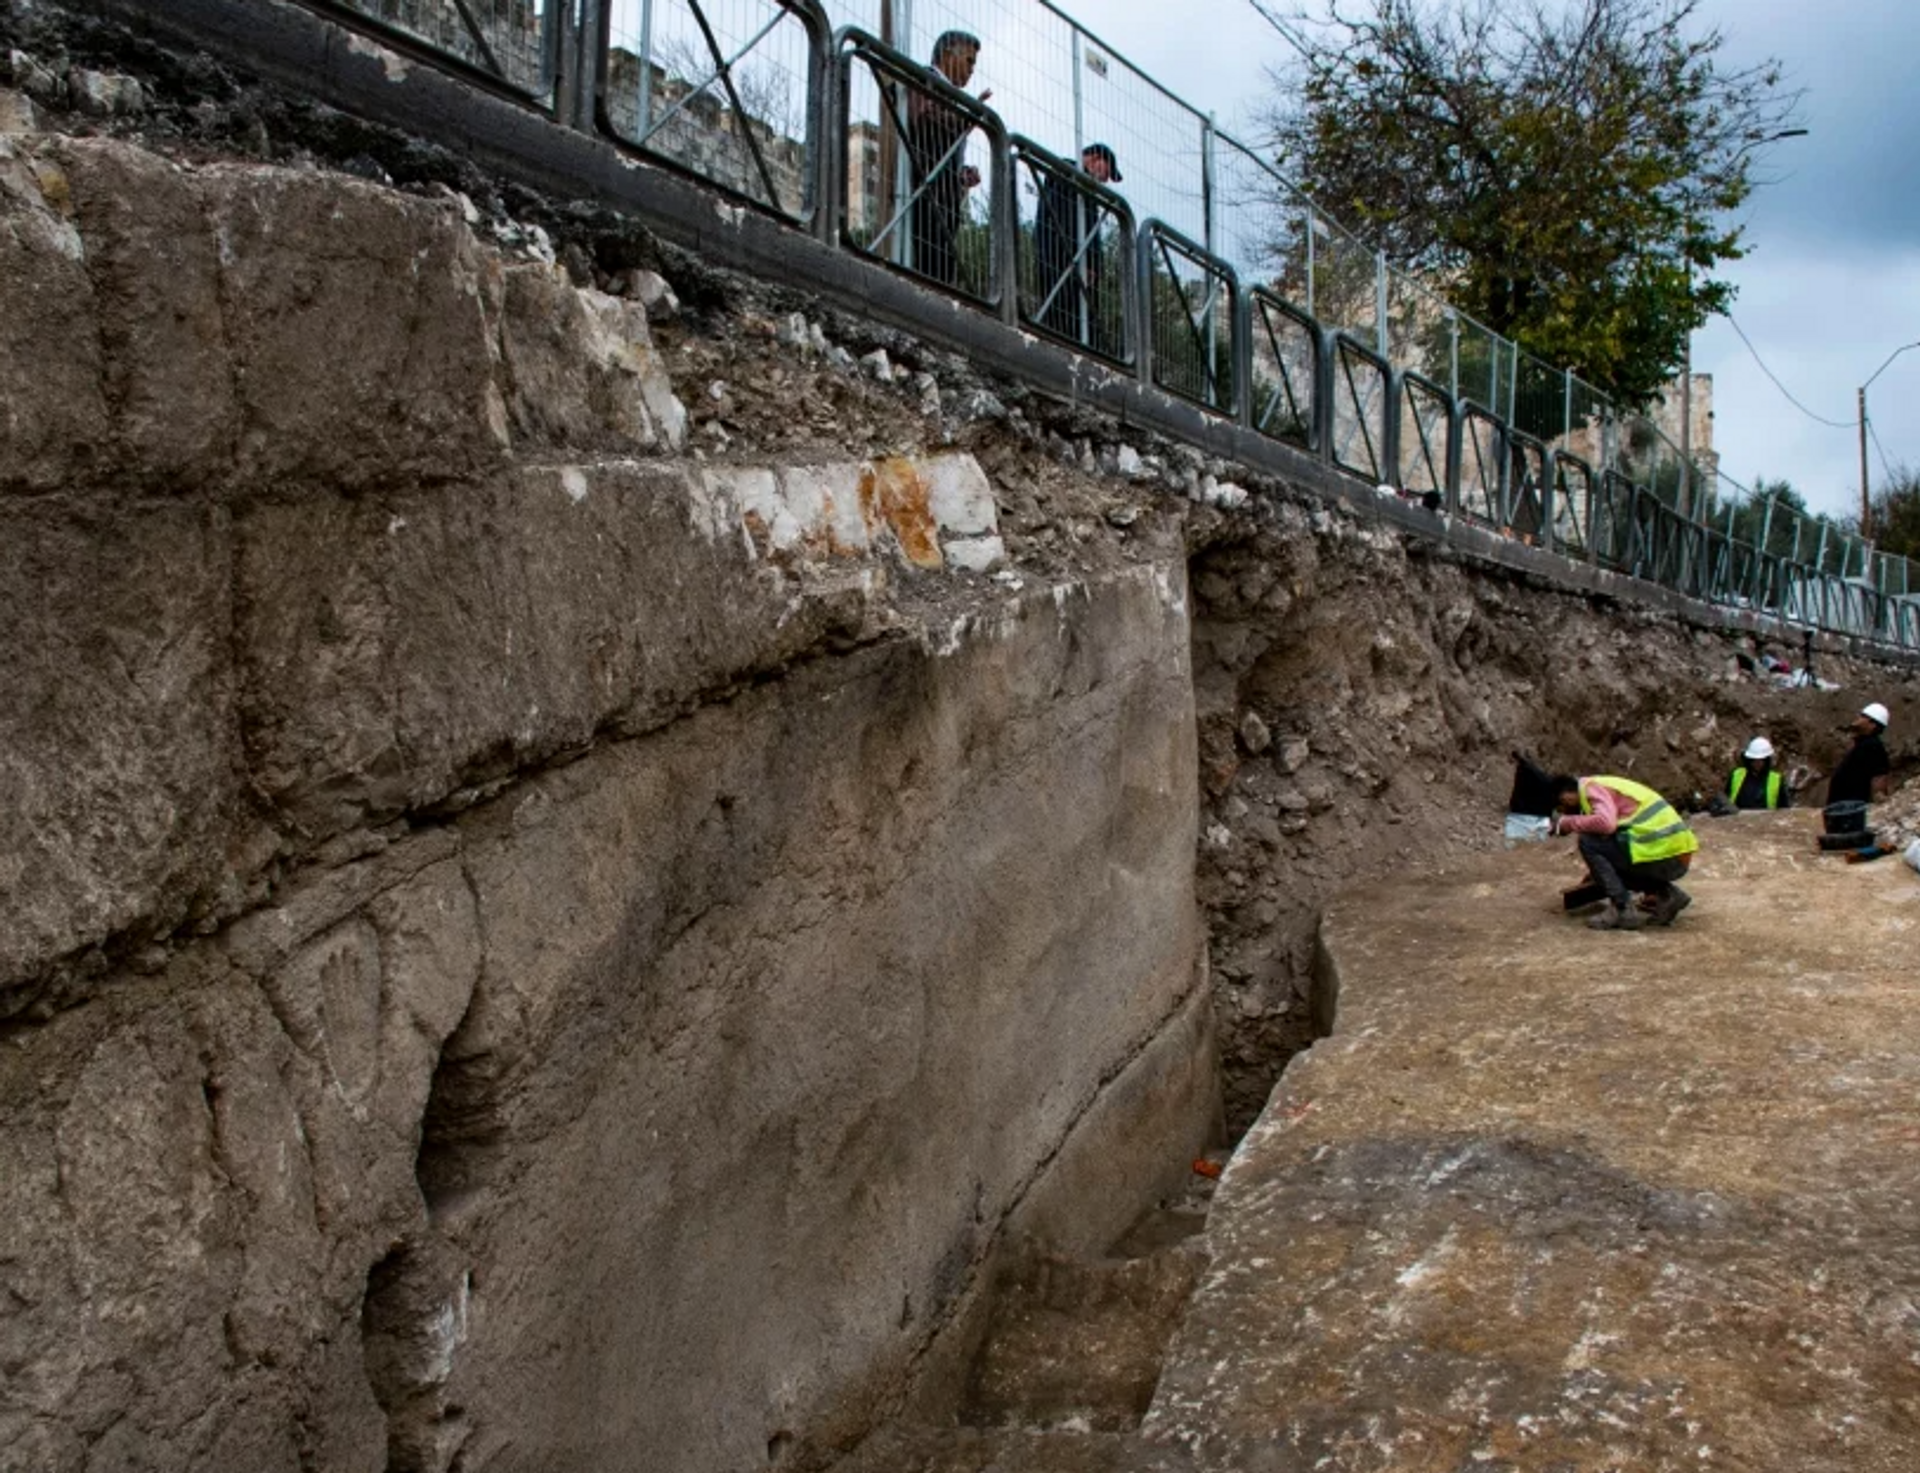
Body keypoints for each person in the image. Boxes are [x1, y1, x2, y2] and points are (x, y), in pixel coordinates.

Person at [1550, 773, 1699, 930]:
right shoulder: (1605, 786)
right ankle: (1668, 895)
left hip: (1666, 855)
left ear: (1565, 796)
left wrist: (1566, 822)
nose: (1566, 809)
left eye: (1564, 805)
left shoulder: (1591, 789)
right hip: (1677, 856)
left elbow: (1606, 824)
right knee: (1600, 849)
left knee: (1587, 842)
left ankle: (1622, 909)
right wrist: (1598, 874)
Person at [906, 31, 988, 288]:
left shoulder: (951, 97)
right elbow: (925, 118)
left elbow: (942, 142)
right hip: (922, 193)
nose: (972, 69)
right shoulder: (926, 78)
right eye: (969, 60)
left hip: (942, 198)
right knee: (929, 272)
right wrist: (967, 117)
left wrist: (961, 177)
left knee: (940, 272)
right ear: (947, 54)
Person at [1033, 142, 1122, 351]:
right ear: (1095, 159)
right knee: (1074, 317)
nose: (1105, 180)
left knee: (1061, 315)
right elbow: (1079, 224)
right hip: (1068, 260)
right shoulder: (1075, 179)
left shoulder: (1060, 174)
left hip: (1056, 255)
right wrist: (1090, 261)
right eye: (1106, 172)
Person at [1826, 701, 1892, 807]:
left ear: (1872, 724)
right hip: (1841, 806)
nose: (1858, 718)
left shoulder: (1873, 746)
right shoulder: (1862, 744)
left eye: (1863, 716)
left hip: (1851, 808)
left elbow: (1880, 777)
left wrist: (1880, 803)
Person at [1727, 736, 1790, 810]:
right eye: (1754, 760)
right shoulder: (1736, 774)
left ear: (1767, 760)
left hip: (1766, 819)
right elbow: (1726, 799)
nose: (1757, 763)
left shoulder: (1776, 779)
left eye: (1761, 760)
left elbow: (1784, 808)